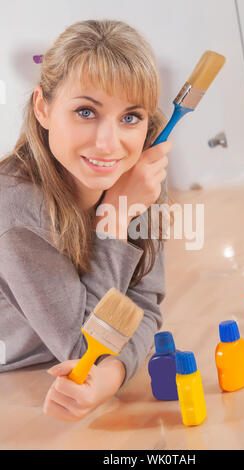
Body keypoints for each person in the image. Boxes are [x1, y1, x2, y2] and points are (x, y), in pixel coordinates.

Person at [0, 19, 172, 421]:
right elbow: (82, 351)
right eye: (85, 111)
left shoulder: (138, 177)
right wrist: (114, 217)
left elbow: (143, 304)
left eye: (130, 117)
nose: (109, 144)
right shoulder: (16, 211)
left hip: (54, 366)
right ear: (43, 108)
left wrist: (111, 375)